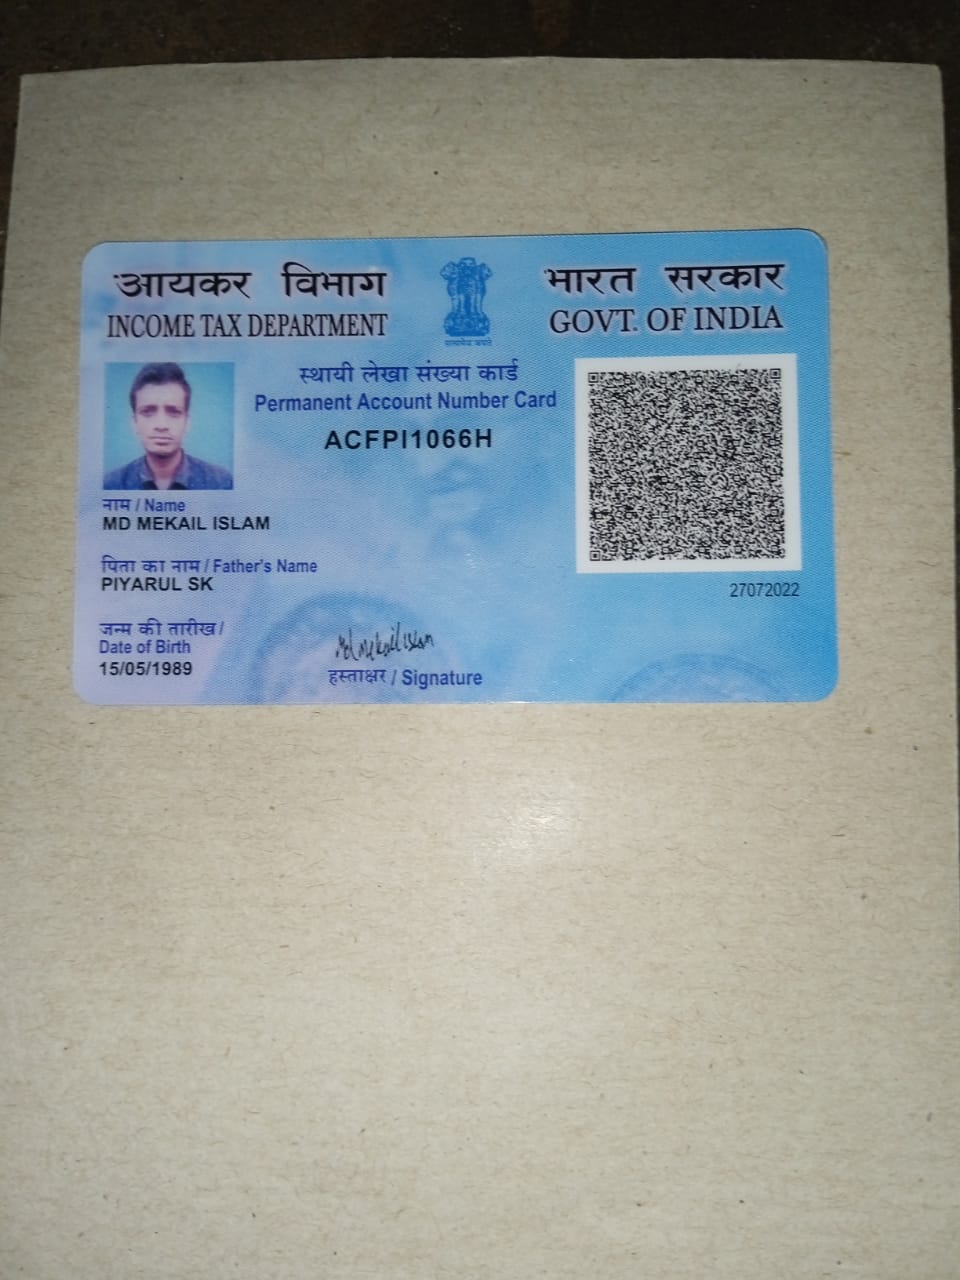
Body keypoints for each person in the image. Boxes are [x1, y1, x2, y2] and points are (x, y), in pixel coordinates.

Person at [104, 362, 233, 490]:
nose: (161, 425)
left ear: (187, 423)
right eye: (147, 412)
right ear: (134, 423)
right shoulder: (111, 485)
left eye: (174, 412)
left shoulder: (221, 483)